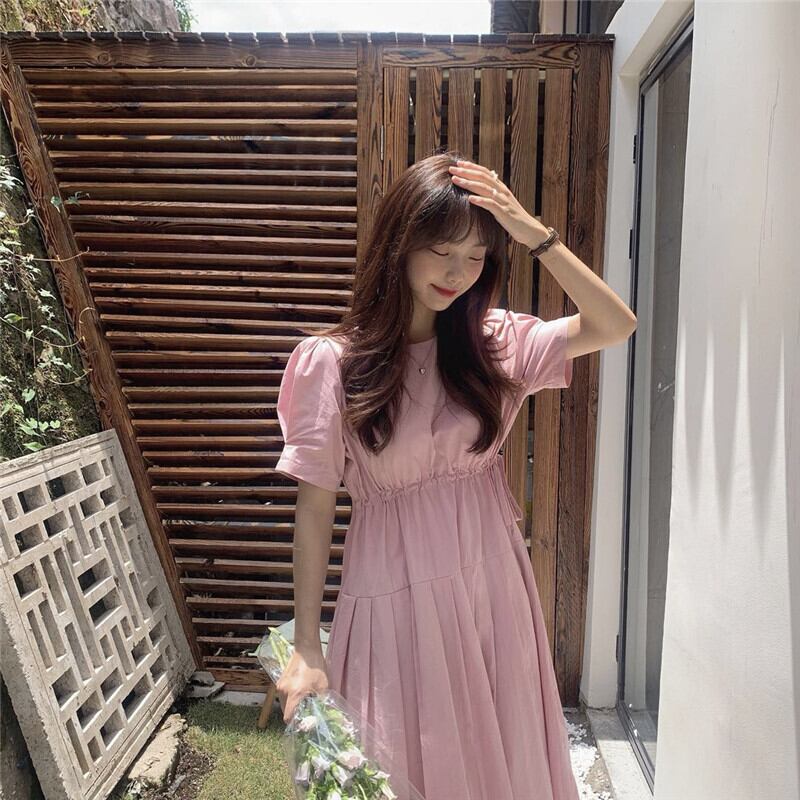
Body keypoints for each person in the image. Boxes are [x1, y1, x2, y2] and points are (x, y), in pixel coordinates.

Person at [273, 151, 637, 800]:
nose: (457, 273)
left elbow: (616, 324)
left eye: (475, 256)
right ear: (399, 244)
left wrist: (535, 235)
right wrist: (307, 644)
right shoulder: (332, 363)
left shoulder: (493, 346)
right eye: (441, 250)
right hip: (394, 596)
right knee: (405, 764)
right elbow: (315, 505)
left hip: (491, 587)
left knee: (503, 759)